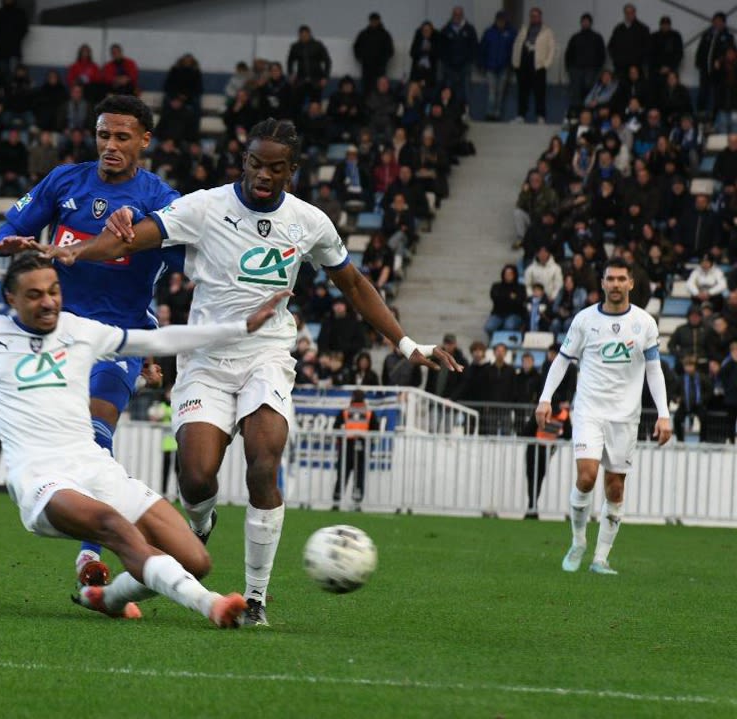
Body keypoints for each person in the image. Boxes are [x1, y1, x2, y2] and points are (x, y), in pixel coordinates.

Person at [40, 118, 461, 625]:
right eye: (256, 164)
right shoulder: (204, 207)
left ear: (292, 171)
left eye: (276, 168)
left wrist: (407, 343)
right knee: (196, 478)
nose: (264, 175)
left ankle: (256, 598)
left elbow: (353, 284)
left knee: (264, 463)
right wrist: (74, 251)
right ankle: (201, 522)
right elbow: (133, 241)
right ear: (244, 162)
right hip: (205, 358)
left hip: (268, 356)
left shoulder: (310, 222)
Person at [0, 254, 293, 627]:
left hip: (93, 466)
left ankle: (109, 598)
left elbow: (160, 341)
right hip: (39, 478)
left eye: (53, 290)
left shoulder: (80, 331)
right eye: (34, 295)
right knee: (112, 524)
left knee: (194, 556)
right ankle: (210, 604)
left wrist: (241, 327)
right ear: (10, 298)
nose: (48, 301)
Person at [0, 94, 183, 587]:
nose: (110, 145)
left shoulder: (160, 199)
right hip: (58, 334)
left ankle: (89, 552)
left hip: (121, 335)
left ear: (145, 140)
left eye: (122, 137)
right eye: (103, 135)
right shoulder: (64, 180)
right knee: (66, 434)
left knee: (97, 430)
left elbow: (188, 263)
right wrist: (7, 242)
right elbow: (12, 227)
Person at [536, 257, 671, 575]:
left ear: (631, 283)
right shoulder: (584, 320)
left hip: (625, 417)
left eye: (621, 279)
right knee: (586, 476)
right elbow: (562, 361)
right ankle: (578, 541)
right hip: (589, 411)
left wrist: (664, 414)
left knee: (615, 488)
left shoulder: (644, 323)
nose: (615, 284)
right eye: (610, 279)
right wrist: (545, 398)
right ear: (603, 282)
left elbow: (654, 370)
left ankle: (601, 558)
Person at [522, 400, 569, 519]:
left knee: (532, 478)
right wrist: (556, 438)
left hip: (534, 447)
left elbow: (526, 431)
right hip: (547, 450)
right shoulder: (564, 414)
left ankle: (532, 507)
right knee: (539, 479)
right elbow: (568, 434)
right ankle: (533, 506)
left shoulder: (541, 411)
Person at [332, 389, 377, 512]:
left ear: (352, 398)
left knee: (342, 474)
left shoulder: (345, 412)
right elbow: (375, 430)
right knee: (359, 475)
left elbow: (335, 427)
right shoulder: (369, 413)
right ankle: (357, 502)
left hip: (347, 446)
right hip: (362, 446)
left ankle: (336, 501)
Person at [512, 7, 556, 124]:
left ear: (540, 17)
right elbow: (517, 44)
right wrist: (515, 62)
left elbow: (552, 49)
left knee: (539, 92)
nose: (533, 18)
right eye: (531, 16)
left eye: (536, 16)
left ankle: (540, 116)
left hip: (538, 65)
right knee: (522, 91)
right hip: (524, 63)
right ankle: (521, 115)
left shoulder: (547, 31)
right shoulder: (524, 28)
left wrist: (546, 64)